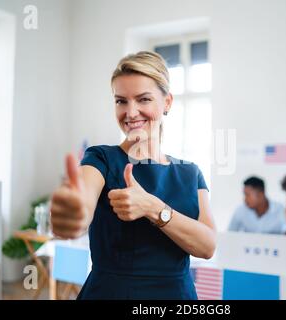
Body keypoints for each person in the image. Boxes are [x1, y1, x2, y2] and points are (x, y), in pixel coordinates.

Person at [50, 51, 216, 299]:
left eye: (143, 99)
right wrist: (74, 213)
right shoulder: (101, 158)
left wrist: (152, 207)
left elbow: (207, 246)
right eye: (121, 101)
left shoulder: (190, 173)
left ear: (167, 102)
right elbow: (83, 204)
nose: (131, 112)